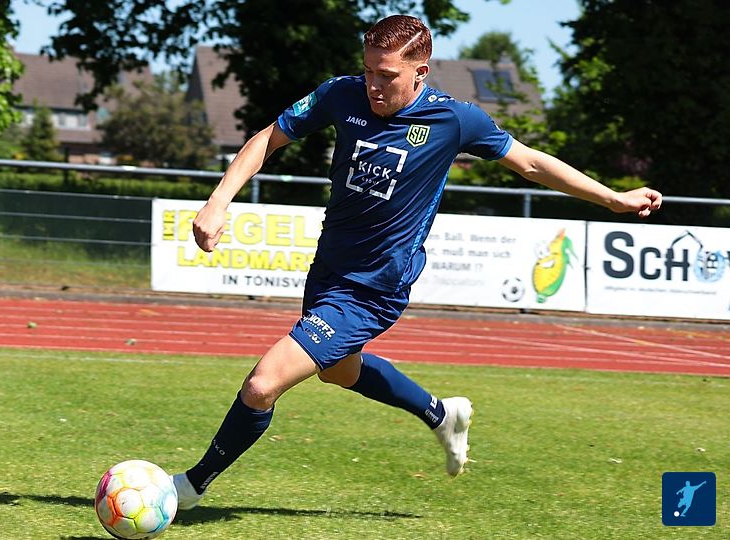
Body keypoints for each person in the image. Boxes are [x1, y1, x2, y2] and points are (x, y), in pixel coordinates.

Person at [171, 15, 663, 510]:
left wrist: (613, 199)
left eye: (386, 76)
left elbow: (532, 163)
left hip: (375, 287)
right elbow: (267, 137)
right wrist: (218, 202)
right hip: (329, 271)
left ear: (420, 71)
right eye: (368, 71)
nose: (373, 85)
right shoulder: (341, 94)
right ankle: (441, 414)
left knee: (262, 384)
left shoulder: (455, 120)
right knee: (338, 372)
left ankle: (190, 486)